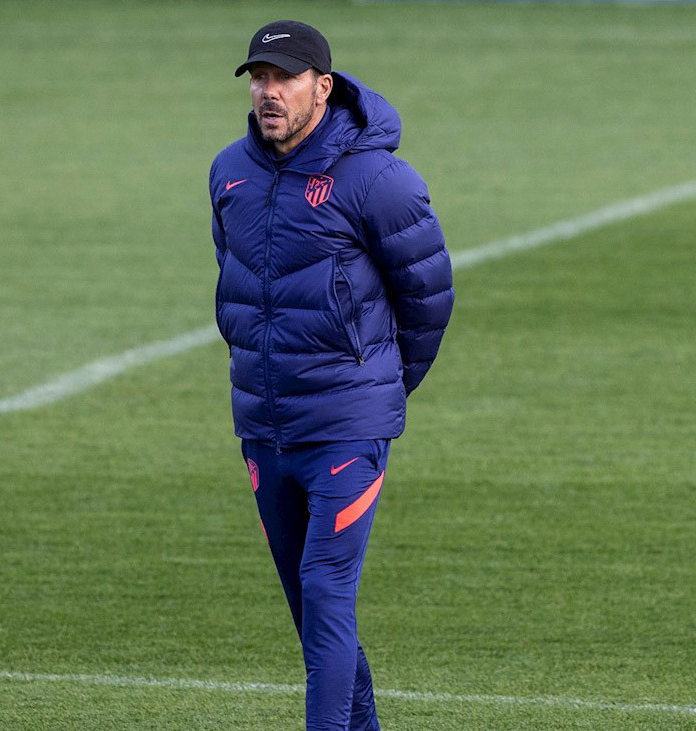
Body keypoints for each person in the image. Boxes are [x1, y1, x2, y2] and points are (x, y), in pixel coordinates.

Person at [209, 20, 453, 731]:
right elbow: (237, 283)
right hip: (265, 427)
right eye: (258, 77)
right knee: (309, 605)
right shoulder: (230, 171)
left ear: (323, 86)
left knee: (326, 589)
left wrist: (376, 389)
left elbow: (429, 296)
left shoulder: (376, 178)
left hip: (346, 427)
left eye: (283, 78)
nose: (267, 92)